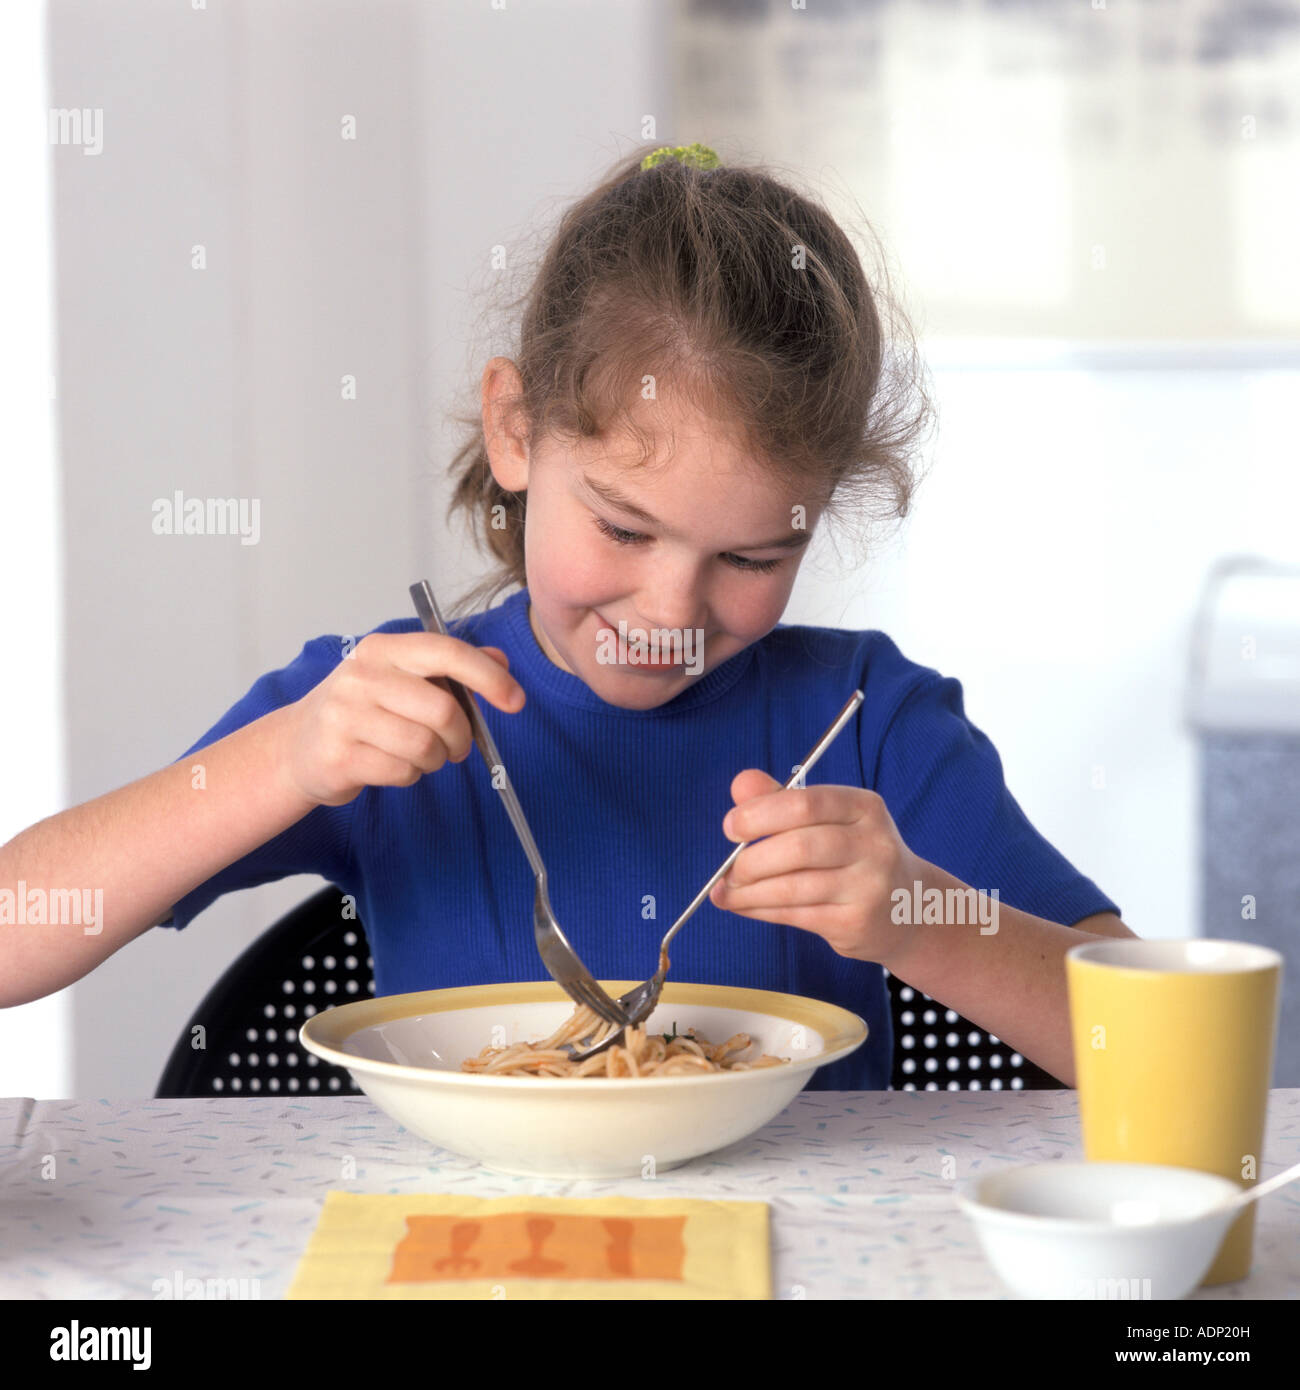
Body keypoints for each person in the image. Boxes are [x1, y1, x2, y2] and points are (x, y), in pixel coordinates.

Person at [0, 143, 1134, 1089]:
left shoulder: (866, 721)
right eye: (625, 530)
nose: (670, 608)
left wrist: (918, 917)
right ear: (516, 432)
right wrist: (285, 760)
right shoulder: (390, 704)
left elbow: (1148, 1050)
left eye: (752, 554)